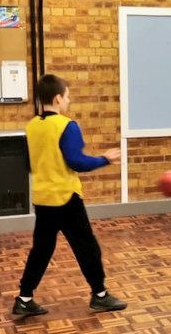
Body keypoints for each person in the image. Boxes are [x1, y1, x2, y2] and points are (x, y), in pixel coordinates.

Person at [11, 74, 127, 320]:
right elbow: (77, 161)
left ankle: (24, 298)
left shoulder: (32, 126)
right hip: (66, 197)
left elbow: (28, 164)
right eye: (68, 97)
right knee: (87, 246)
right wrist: (104, 159)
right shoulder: (67, 125)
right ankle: (100, 295)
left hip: (43, 198)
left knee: (41, 249)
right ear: (57, 98)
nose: (69, 101)